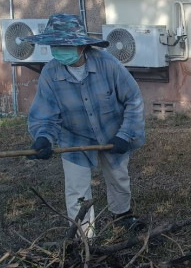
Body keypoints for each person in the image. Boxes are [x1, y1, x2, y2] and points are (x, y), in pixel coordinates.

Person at [24, 14, 145, 238]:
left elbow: (133, 99)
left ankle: (122, 216)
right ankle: (84, 235)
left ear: (81, 45)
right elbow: (45, 115)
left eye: (65, 45)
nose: (60, 50)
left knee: (118, 177)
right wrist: (44, 138)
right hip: (74, 138)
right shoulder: (50, 74)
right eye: (56, 45)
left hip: (112, 133)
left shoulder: (108, 64)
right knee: (76, 188)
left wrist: (125, 134)